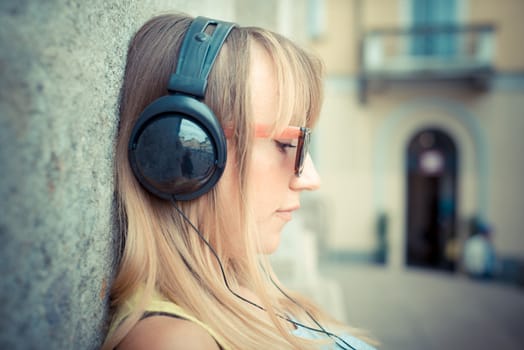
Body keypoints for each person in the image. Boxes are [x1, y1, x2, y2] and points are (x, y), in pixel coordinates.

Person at [102, 13, 377, 350]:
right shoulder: (173, 342)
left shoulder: (239, 291)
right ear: (182, 149)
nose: (310, 179)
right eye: (286, 144)